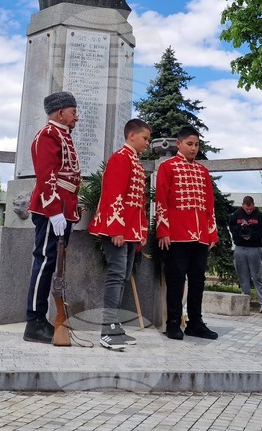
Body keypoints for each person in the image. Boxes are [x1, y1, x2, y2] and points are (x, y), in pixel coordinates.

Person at [23, 91, 82, 344]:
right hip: (52, 209)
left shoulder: (63, 136)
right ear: (60, 113)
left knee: (53, 264)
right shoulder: (48, 136)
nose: (76, 117)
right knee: (45, 261)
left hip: (63, 209)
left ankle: (41, 318)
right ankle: (34, 321)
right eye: (73, 112)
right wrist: (54, 210)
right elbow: (46, 176)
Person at [88, 118, 152, 351]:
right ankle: (107, 328)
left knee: (123, 276)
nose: (147, 142)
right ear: (131, 135)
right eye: (145, 138)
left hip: (130, 230)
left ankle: (114, 325)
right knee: (116, 275)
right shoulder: (120, 158)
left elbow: (138, 201)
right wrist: (116, 229)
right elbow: (114, 194)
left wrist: (141, 230)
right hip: (117, 230)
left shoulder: (134, 161)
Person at [155, 126, 219, 340]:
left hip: (200, 235)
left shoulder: (203, 171)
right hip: (176, 234)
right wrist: (163, 229)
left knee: (198, 279)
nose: (193, 148)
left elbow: (209, 204)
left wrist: (212, 233)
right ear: (179, 144)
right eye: (189, 144)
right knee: (176, 278)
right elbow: (161, 199)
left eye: (197, 144)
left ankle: (195, 322)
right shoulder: (168, 167)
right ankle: (173, 322)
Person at [229, 195, 262, 313]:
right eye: (246, 209)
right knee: (243, 276)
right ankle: (246, 301)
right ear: (243, 206)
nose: (248, 211)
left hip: (254, 248)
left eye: (250, 209)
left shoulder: (259, 215)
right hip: (240, 247)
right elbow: (232, 228)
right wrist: (240, 234)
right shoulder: (236, 214)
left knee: (257, 276)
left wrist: (252, 235)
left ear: (253, 205)